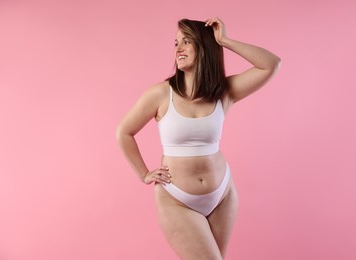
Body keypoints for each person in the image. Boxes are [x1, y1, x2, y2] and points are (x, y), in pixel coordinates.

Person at [116, 17, 281, 260]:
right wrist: (143, 173)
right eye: (175, 43)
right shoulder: (161, 93)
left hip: (222, 194)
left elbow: (271, 64)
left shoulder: (224, 93)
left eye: (186, 41)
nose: (178, 49)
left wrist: (224, 41)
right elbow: (124, 132)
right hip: (177, 199)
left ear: (204, 46)